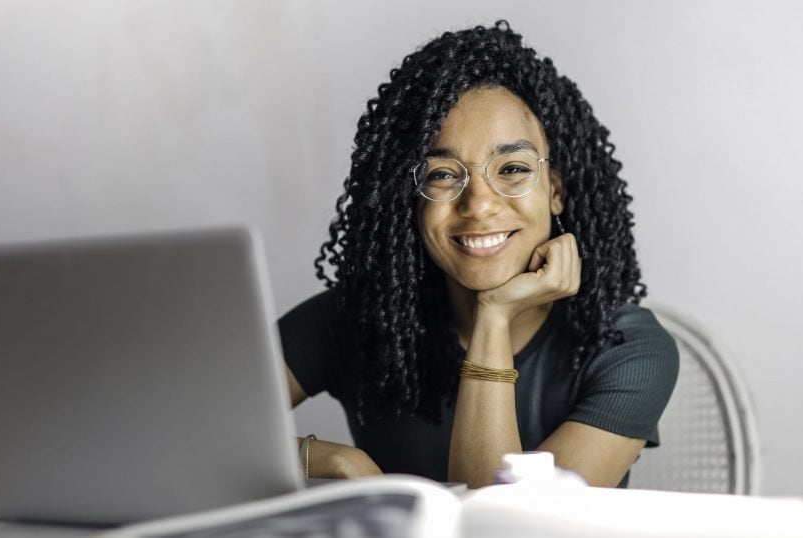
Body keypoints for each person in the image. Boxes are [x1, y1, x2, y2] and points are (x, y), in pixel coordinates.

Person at [278, 21, 678, 489]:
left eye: (512, 168)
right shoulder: (356, 318)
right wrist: (333, 460)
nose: (480, 205)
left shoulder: (626, 349)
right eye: (443, 175)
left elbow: (505, 524)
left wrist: (494, 315)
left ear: (556, 191)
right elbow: (183, 431)